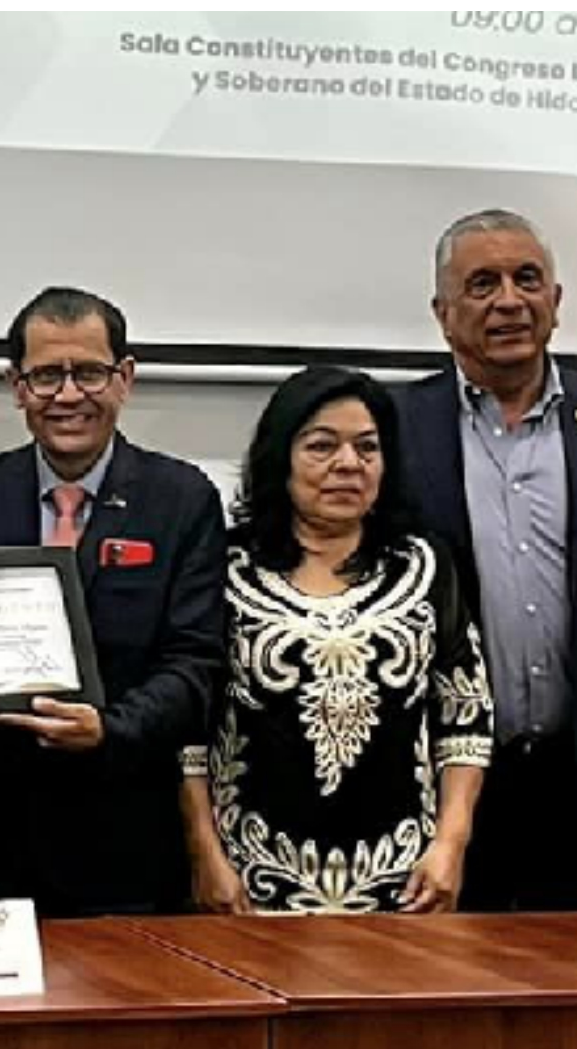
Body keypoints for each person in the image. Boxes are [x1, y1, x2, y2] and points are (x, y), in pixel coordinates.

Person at [395, 211, 577, 911]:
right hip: (440, 784)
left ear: (556, 302)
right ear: (443, 315)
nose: (508, 300)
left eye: (527, 279)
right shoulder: (395, 425)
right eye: (482, 284)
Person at [0, 287, 226, 915]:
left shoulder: (181, 499)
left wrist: (109, 731)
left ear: (125, 379)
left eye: (88, 373)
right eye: (45, 376)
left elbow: (197, 664)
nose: (67, 396)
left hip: (124, 834)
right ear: (15, 385)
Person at [185, 366, 491, 914]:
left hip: (404, 883)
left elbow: (465, 718)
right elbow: (188, 733)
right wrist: (205, 853)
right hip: (252, 883)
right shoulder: (223, 567)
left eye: (367, 448)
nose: (348, 465)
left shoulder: (423, 565)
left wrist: (451, 844)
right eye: (322, 446)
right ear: (280, 457)